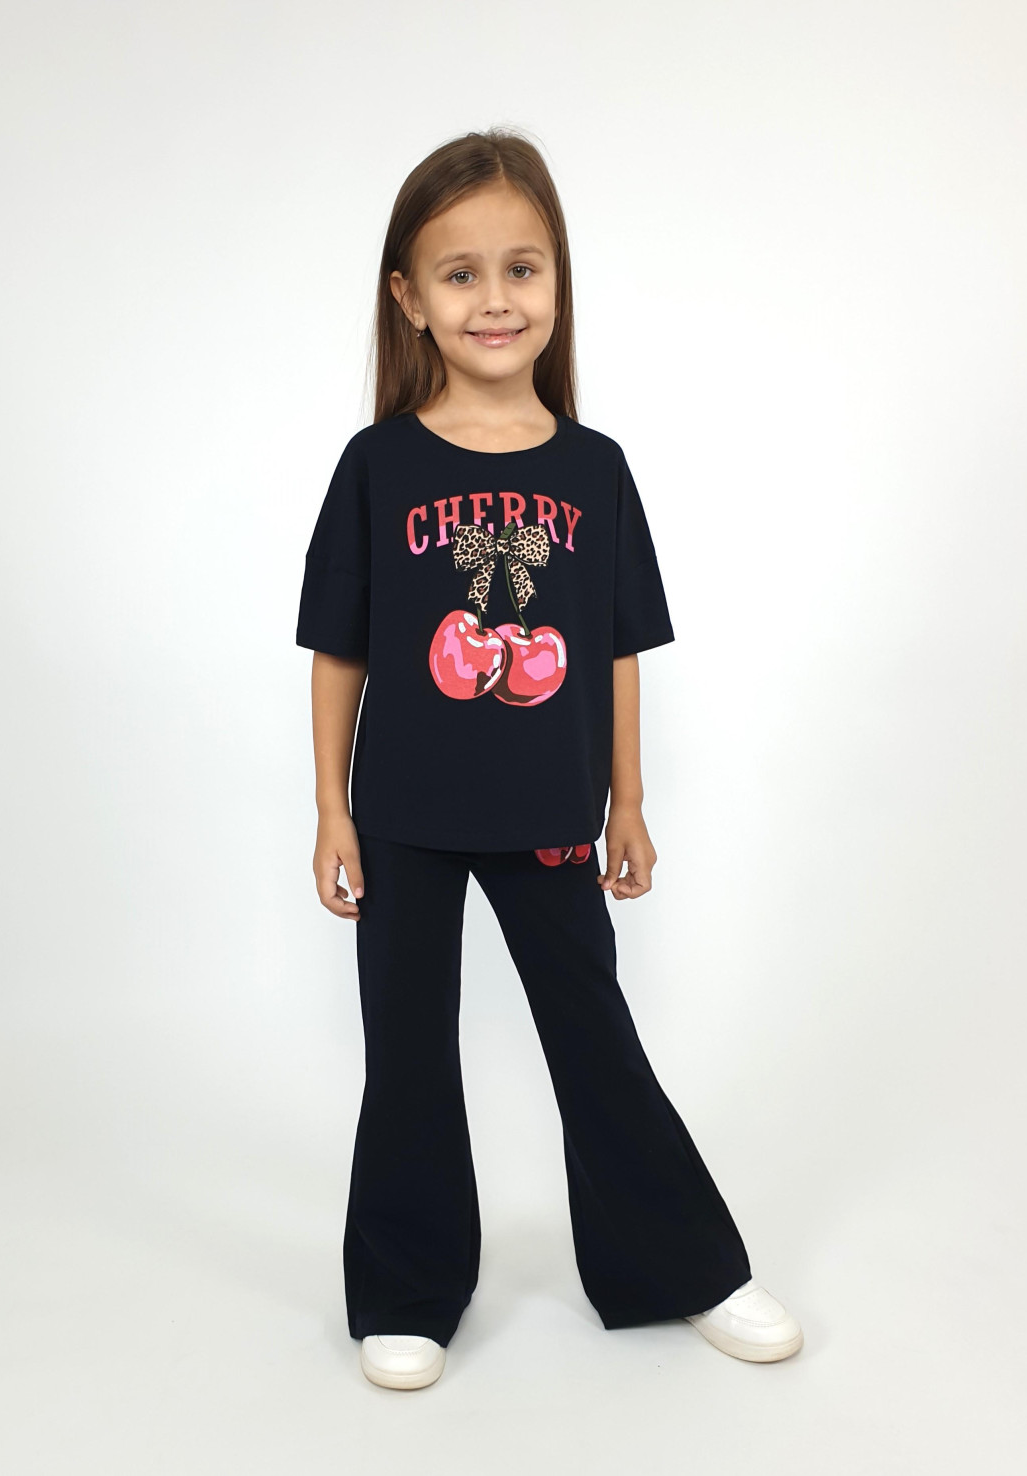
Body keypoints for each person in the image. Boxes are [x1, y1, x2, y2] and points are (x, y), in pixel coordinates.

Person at [296, 127, 803, 1391]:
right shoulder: (376, 466)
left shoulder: (593, 469)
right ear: (408, 297)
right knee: (407, 1052)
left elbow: (616, 648)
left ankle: (680, 1267)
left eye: (520, 268)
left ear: (557, 283)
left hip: (549, 814)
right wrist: (330, 810)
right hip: (401, 816)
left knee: (594, 1040)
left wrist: (627, 800)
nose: (494, 299)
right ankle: (407, 1288)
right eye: (458, 273)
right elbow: (340, 651)